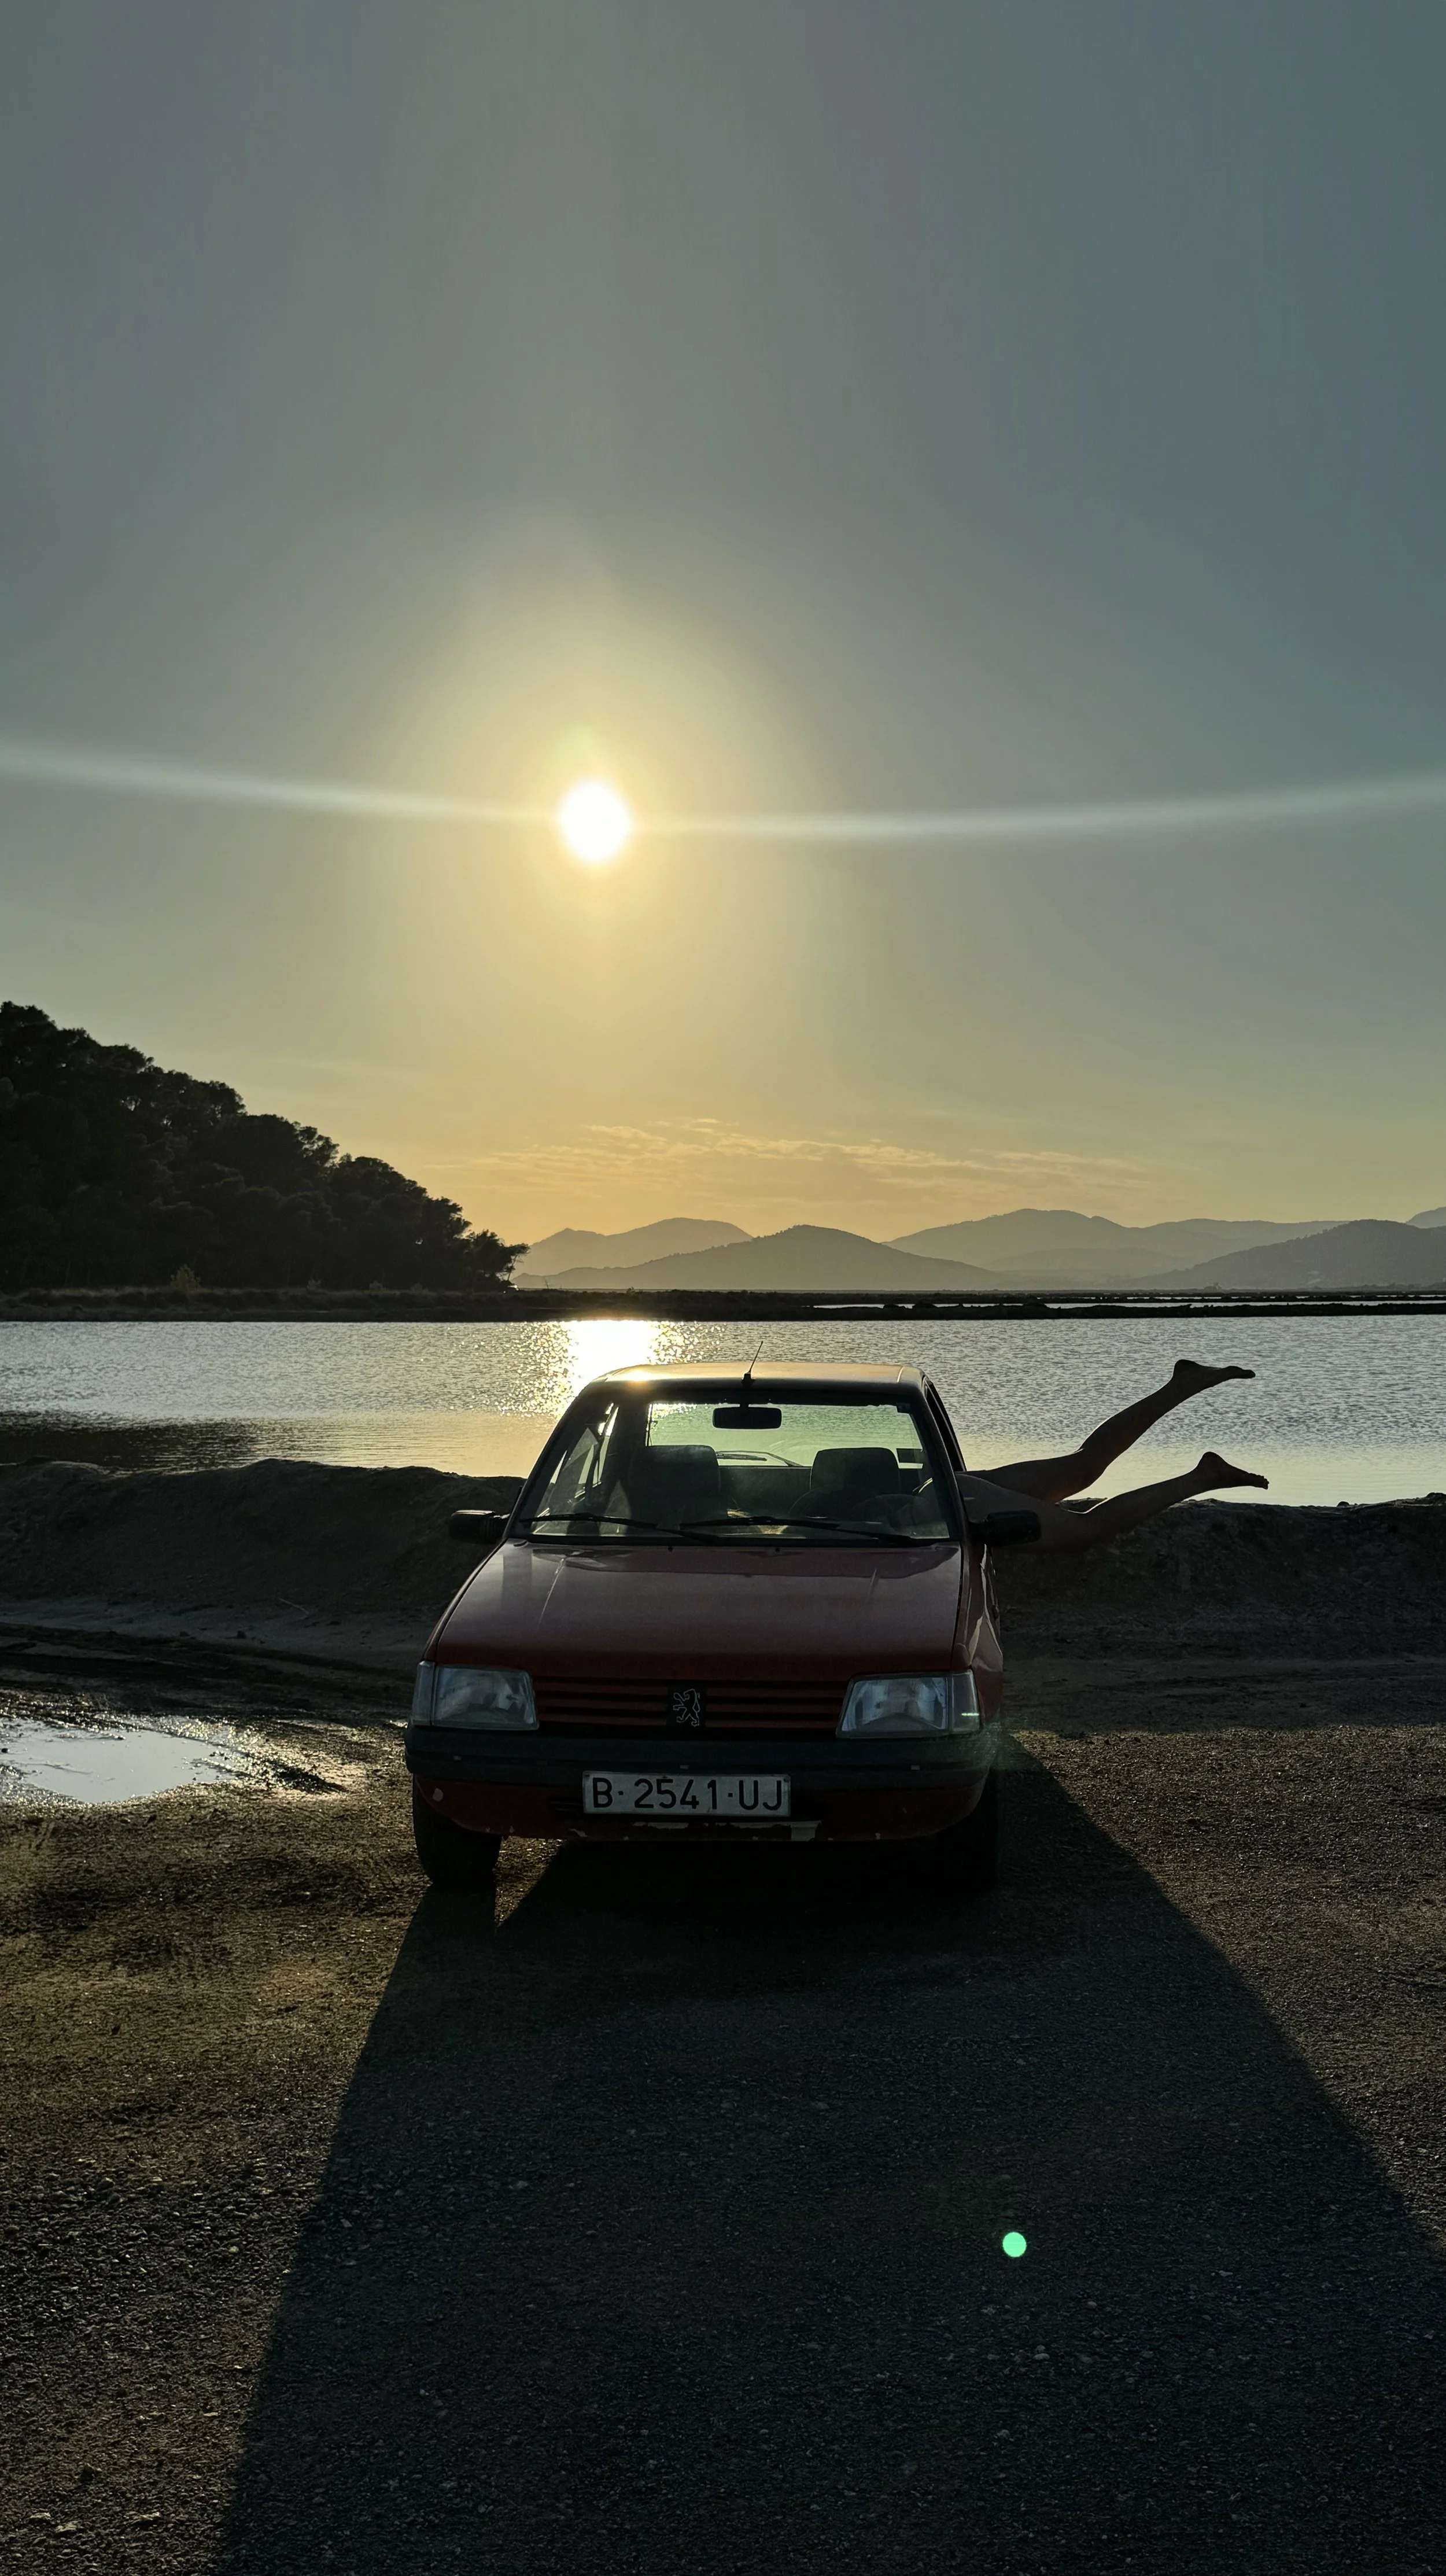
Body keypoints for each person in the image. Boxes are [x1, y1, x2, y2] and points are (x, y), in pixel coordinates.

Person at [958, 1358, 1267, 1552]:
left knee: (1086, 1525)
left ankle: (1202, 1471)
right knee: (1082, 1469)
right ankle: (1184, 1394)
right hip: (943, 1489)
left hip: (943, 1495)